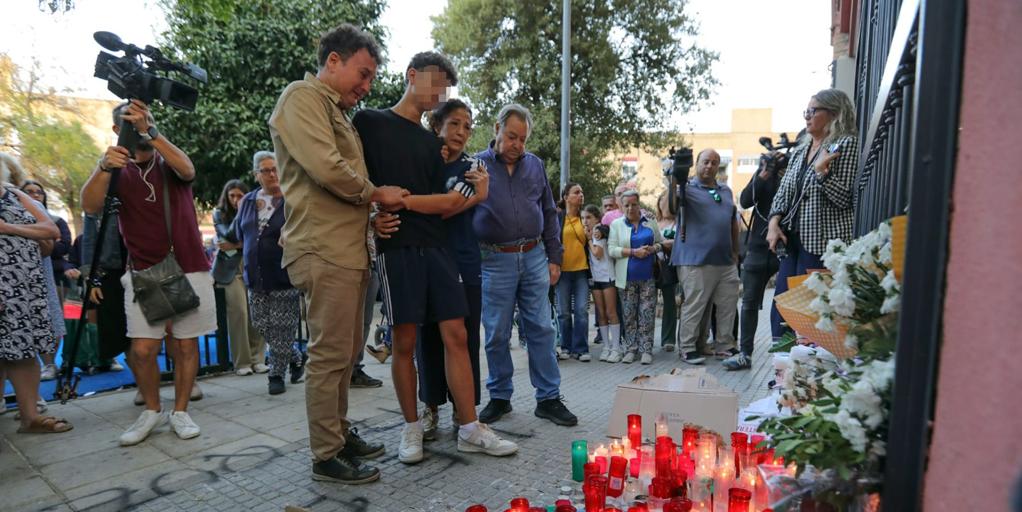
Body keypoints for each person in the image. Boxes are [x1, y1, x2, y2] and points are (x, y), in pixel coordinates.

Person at [354, 52, 517, 465]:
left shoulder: (435, 147)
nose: (438, 93)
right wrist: (372, 214)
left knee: (457, 335)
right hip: (397, 248)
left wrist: (402, 201)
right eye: (435, 83)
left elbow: (447, 203)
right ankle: (412, 427)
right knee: (405, 340)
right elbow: (352, 180)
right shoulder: (369, 122)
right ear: (412, 75)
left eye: (445, 89)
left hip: (440, 250)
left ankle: (469, 427)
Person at [269, 23, 407, 484]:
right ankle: (326, 454)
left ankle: (339, 433)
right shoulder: (301, 98)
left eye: (371, 79)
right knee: (329, 356)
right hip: (322, 248)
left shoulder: (334, 110)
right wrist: (377, 194)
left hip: (348, 250)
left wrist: (371, 215)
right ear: (333, 61)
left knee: (346, 356)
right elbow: (328, 168)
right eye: (362, 74)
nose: (366, 87)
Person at [81, 99, 213, 446]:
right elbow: (90, 206)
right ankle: (152, 410)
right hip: (144, 270)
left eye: (145, 118)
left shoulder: (165, 156)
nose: (140, 125)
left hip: (189, 265)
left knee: (185, 345)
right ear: (117, 129)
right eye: (132, 121)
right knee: (141, 350)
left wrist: (150, 132)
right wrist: (103, 165)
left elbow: (188, 170)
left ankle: (180, 412)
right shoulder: (116, 170)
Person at [473, 103, 578, 427]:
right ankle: (500, 396)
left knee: (542, 329)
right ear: (497, 129)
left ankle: (548, 398)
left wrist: (555, 257)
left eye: (522, 139)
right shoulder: (476, 165)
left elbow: (549, 212)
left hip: (534, 256)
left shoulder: (535, 165)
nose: (517, 144)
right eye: (511, 136)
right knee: (496, 332)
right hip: (494, 259)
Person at [412, 98, 490, 441]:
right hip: (425, 259)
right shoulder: (421, 164)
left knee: (465, 338)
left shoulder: (474, 167)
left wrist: (474, 197)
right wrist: (477, 198)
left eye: (467, 126)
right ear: (436, 125)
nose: (461, 132)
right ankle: (430, 407)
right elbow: (431, 208)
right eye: (454, 123)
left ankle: (465, 410)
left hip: (463, 261)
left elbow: (446, 208)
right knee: (426, 337)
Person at [767, 89, 859, 339]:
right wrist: (773, 223)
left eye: (813, 111)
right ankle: (780, 360)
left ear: (834, 113)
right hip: (791, 239)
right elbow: (783, 192)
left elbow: (844, 199)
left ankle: (807, 361)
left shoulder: (846, 144)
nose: (807, 116)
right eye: (806, 111)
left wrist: (822, 174)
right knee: (783, 308)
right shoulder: (801, 150)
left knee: (812, 313)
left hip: (822, 242)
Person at [0, 154, 71, 434]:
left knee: (24, 351)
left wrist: (7, 228)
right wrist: (29, 232)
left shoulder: (15, 194)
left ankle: (30, 417)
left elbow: (50, 230)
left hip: (26, 289)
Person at [235, 151, 306, 395]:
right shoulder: (247, 201)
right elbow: (239, 233)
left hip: (283, 274)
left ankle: (276, 375)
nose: (272, 174)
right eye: (266, 170)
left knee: (282, 327)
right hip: (255, 276)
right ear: (256, 175)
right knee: (261, 323)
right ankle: (296, 356)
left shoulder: (293, 198)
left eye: (276, 169)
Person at [671, 149, 741, 365]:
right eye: (705, 161)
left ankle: (724, 345)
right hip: (695, 260)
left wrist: (736, 252)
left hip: (725, 260)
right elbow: (671, 207)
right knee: (695, 305)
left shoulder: (725, 191)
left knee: (728, 304)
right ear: (697, 164)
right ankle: (687, 347)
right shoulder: (686, 188)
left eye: (714, 162)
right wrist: (674, 178)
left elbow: (732, 222)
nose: (709, 166)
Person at [722, 153, 783, 371]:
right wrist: (762, 175)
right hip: (758, 245)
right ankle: (745, 354)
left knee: (785, 303)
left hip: (787, 244)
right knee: (748, 302)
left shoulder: (793, 172)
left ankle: (785, 356)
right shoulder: (764, 173)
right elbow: (746, 200)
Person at [213, 179, 267, 376]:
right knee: (239, 314)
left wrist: (238, 245)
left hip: (253, 265)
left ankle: (258, 359)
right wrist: (242, 213)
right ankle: (242, 362)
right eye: (232, 196)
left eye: (240, 196)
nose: (236, 199)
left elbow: (262, 237)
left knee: (257, 312)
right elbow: (228, 235)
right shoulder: (219, 214)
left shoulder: (258, 210)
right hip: (230, 270)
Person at [608, 190, 664, 365]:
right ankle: (631, 349)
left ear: (639, 204)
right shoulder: (617, 224)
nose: (630, 208)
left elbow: (660, 243)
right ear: (621, 206)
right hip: (626, 278)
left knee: (647, 314)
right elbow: (612, 250)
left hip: (648, 277)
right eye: (626, 205)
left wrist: (653, 249)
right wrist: (633, 252)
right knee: (629, 315)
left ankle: (646, 349)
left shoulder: (650, 221)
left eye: (634, 204)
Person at [555, 182, 591, 361]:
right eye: (576, 192)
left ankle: (581, 349)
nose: (580, 195)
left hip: (581, 271)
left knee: (582, 310)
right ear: (566, 197)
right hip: (562, 271)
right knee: (563, 312)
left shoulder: (585, 217)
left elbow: (601, 230)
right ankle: (566, 347)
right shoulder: (558, 217)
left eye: (581, 192)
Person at [582, 204, 620, 362]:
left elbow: (598, 253)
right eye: (583, 218)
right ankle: (606, 347)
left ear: (597, 218)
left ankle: (616, 348)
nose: (585, 221)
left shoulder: (598, 231)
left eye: (588, 217)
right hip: (595, 278)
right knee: (601, 314)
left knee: (611, 313)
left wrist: (589, 240)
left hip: (607, 277)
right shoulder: (591, 232)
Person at [654, 191, 679, 353]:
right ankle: (646, 338)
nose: (666, 204)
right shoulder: (653, 222)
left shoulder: (679, 223)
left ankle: (668, 339)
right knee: (648, 303)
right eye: (663, 200)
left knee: (670, 302)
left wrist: (661, 244)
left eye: (670, 201)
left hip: (669, 267)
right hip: (652, 266)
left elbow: (679, 242)